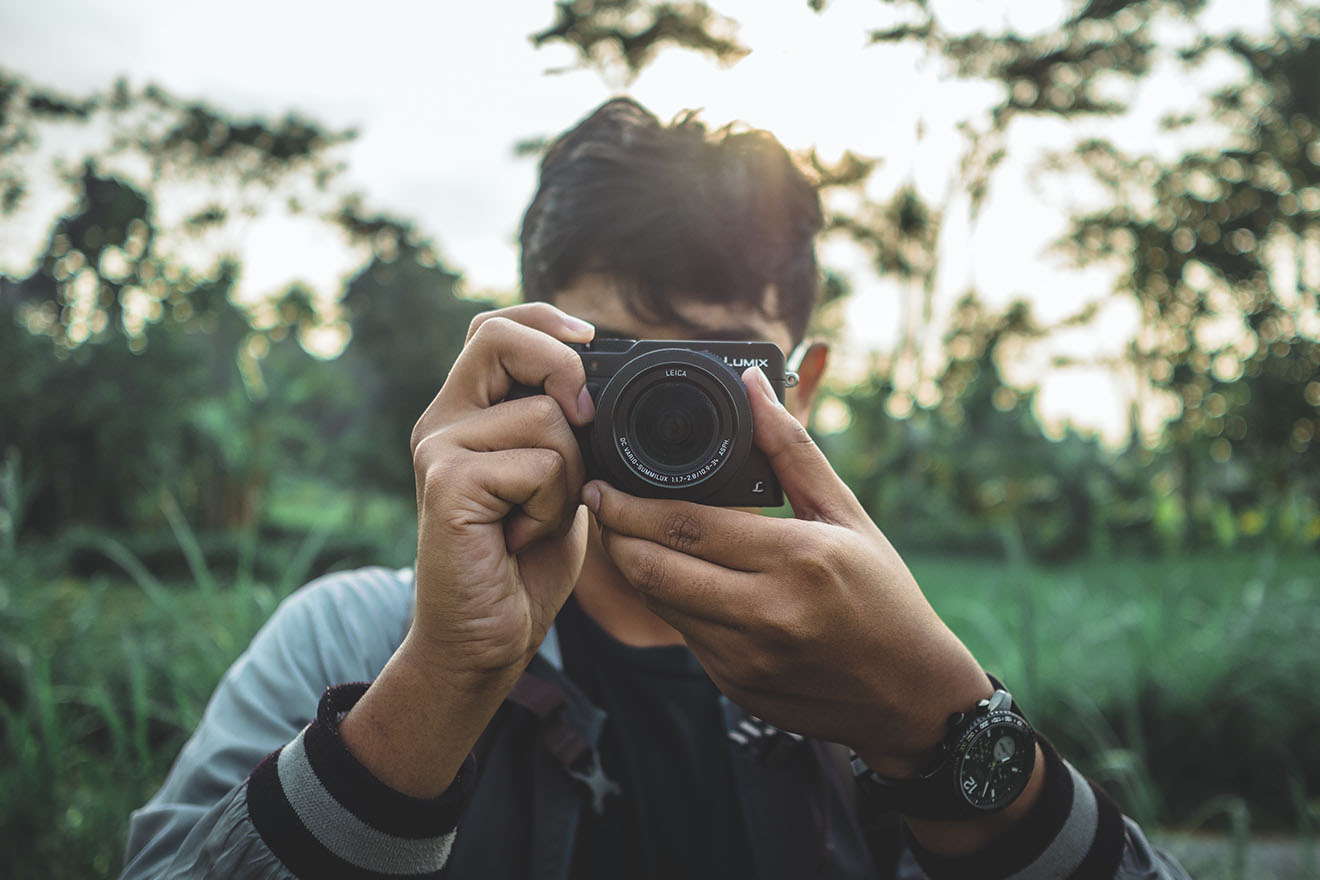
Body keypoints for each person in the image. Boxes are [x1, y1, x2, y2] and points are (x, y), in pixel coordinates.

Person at [122, 98, 1188, 879]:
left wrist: (938, 730)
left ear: (799, 387)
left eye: (717, 375)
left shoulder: (870, 669)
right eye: (625, 365)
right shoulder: (356, 643)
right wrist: (443, 677)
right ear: (526, 354)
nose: (668, 413)